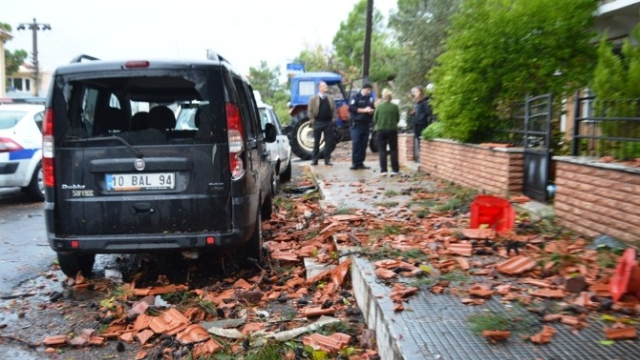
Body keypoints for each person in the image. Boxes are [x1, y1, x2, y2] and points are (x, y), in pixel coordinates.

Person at [307, 81, 336, 166]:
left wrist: (333, 120)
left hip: (328, 123)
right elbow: (309, 111)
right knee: (316, 142)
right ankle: (314, 160)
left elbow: (334, 109)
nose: (326, 87)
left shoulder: (330, 98)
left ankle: (327, 160)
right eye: (325, 86)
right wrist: (313, 121)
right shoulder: (313, 99)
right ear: (320, 88)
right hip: (318, 122)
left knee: (329, 142)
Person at [373, 88, 400, 176]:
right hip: (392, 129)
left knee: (382, 150)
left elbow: (375, 119)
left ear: (383, 96)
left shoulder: (379, 106)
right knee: (393, 150)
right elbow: (397, 119)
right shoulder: (395, 107)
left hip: (381, 130)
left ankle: (383, 170)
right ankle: (395, 170)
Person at [348, 83, 375, 170]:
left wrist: (371, 111)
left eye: (370, 90)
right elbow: (351, 108)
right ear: (364, 89)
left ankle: (361, 162)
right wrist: (364, 110)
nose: (369, 92)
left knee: (364, 144)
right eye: (368, 90)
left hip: (366, 124)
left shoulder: (370, 97)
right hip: (356, 124)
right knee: (356, 143)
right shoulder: (355, 97)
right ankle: (354, 163)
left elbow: (372, 106)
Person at [411, 86, 433, 162]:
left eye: (417, 92)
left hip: (421, 123)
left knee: (421, 140)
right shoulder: (415, 102)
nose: (415, 93)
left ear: (420, 92)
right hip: (416, 123)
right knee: (417, 140)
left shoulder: (424, 102)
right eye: (414, 92)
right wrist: (413, 114)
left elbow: (428, 112)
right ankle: (420, 157)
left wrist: (421, 117)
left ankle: (423, 157)